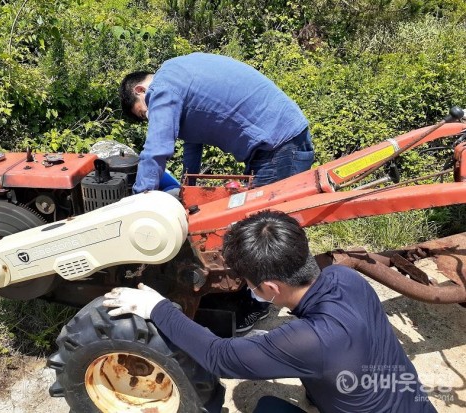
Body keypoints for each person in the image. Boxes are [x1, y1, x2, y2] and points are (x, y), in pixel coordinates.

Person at [104, 210, 436, 413]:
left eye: (250, 284)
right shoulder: (344, 278)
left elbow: (218, 356)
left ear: (271, 289)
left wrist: (157, 308)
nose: (250, 290)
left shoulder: (310, 341)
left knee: (266, 407)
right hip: (414, 404)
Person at [119, 52, 315, 331]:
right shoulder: (179, 75)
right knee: (267, 227)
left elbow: (157, 149)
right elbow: (192, 142)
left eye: (144, 111)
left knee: (265, 233)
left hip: (278, 145)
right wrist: (189, 187)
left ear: (140, 90)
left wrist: (139, 202)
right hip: (279, 139)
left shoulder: (162, 86)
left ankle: (260, 304)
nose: (150, 115)